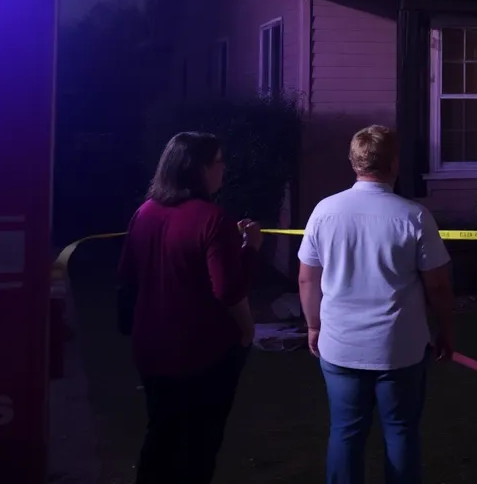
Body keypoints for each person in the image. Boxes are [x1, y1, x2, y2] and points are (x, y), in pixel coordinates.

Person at [298, 126, 454, 484]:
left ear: (354, 162)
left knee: (346, 432)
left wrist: (314, 326)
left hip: (341, 345)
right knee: (400, 431)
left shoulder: (324, 211)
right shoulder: (413, 216)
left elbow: (307, 278)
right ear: (393, 162)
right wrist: (445, 329)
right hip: (399, 347)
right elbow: (439, 285)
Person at [117, 132, 262, 484]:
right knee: (199, 444)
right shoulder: (212, 219)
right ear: (199, 169)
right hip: (203, 352)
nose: (223, 169)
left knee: (161, 433)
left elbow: (127, 277)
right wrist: (247, 330)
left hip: (151, 347)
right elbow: (228, 289)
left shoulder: (145, 212)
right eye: (219, 161)